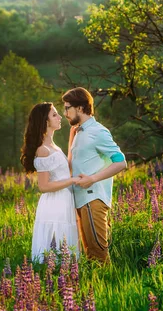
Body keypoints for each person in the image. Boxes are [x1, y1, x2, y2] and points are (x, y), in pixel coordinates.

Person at [62, 87, 127, 263]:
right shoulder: (78, 132)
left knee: (99, 255)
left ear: (81, 108)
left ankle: (109, 287)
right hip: (81, 200)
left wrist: (93, 179)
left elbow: (121, 161)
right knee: (89, 256)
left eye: (68, 108)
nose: (65, 113)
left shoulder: (98, 131)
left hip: (93, 200)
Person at [20, 102, 80, 262]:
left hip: (64, 200)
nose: (60, 117)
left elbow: (63, 169)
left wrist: (73, 139)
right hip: (54, 203)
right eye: (54, 115)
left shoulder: (53, 146)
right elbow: (44, 186)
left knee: (66, 245)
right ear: (45, 122)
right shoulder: (42, 150)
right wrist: (72, 180)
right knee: (56, 243)